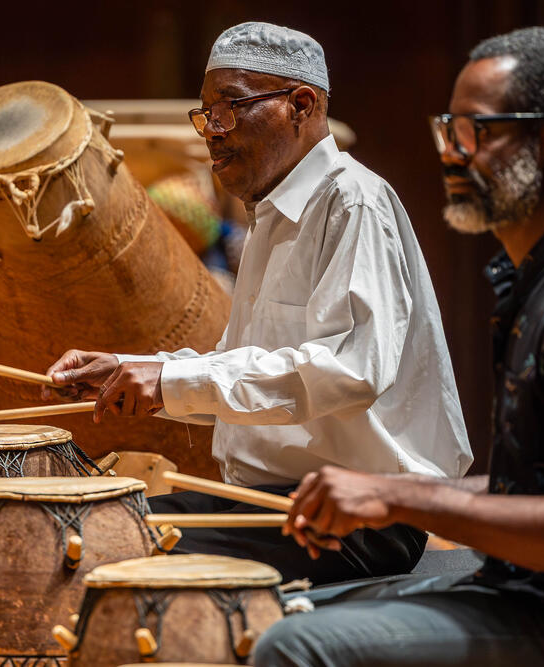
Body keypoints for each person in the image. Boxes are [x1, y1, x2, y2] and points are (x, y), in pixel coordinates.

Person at [255, 26, 544, 666]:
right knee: (275, 612)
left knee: (293, 644)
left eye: (478, 133)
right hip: (537, 594)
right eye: (449, 131)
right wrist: (377, 495)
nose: (453, 153)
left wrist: (396, 497)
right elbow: (530, 496)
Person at [44, 21, 472, 584]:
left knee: (104, 543)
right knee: (82, 526)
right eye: (205, 115)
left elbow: (348, 369)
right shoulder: (269, 215)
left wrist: (168, 382)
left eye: (229, 108)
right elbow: (244, 360)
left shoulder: (353, 202)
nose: (212, 131)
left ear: (301, 104)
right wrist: (136, 371)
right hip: (278, 504)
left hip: (361, 516)